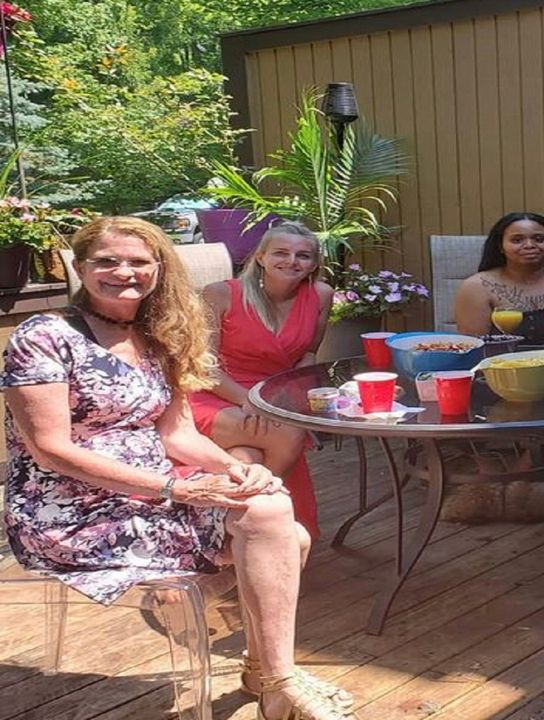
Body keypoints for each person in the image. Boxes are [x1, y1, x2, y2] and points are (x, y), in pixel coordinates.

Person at [1, 216, 358, 720]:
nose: (124, 272)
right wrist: (174, 488)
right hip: (68, 511)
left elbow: (177, 435)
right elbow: (50, 449)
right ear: (81, 268)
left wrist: (236, 474)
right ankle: (274, 679)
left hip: (153, 495)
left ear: (158, 269)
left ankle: (270, 676)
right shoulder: (45, 336)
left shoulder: (156, 335)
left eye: (139, 262)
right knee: (285, 535)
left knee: (271, 506)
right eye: (107, 261)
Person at [189, 222, 333, 539]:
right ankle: (268, 516)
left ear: (314, 264)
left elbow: (308, 354)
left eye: (303, 255)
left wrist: (288, 398)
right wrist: (249, 400)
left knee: (247, 457)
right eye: (281, 252)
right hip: (217, 392)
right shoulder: (221, 294)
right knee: (289, 433)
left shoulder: (321, 295)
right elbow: (203, 365)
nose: (292, 261)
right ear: (260, 257)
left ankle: (234, 528)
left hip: (273, 395)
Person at [454, 212, 544, 345]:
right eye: (517, 240)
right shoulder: (477, 286)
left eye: (539, 239)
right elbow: (474, 346)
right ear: (500, 246)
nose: (530, 245)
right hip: (504, 366)